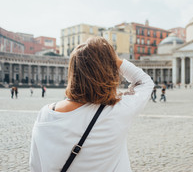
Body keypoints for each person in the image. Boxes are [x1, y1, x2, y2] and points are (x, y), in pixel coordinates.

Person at [29, 37, 154, 171]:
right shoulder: (117, 111)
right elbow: (145, 82)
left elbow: (35, 167)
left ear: (73, 71)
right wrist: (113, 60)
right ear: (109, 71)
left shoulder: (45, 114)